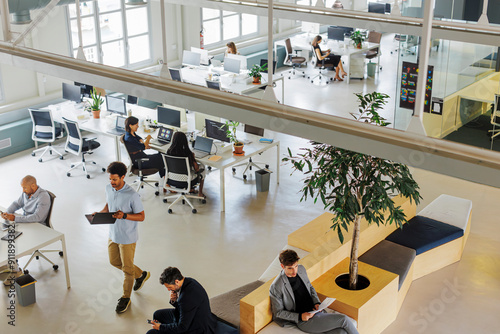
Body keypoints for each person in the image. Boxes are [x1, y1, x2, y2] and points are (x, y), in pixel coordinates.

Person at [96, 161, 150, 314]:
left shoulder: (132, 195)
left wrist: (124, 215)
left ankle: (125, 297)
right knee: (114, 261)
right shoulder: (109, 189)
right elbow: (108, 205)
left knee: (127, 270)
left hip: (127, 237)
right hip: (113, 234)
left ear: (123, 177)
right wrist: (99, 214)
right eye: (110, 179)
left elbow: (141, 217)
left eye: (115, 179)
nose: (112, 182)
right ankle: (141, 274)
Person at [269, 250, 359, 334]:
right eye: (290, 268)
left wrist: (316, 302)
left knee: (341, 332)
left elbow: (310, 287)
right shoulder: (276, 286)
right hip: (304, 321)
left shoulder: (301, 269)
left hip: (316, 312)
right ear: (282, 266)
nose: (294, 271)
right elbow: (278, 312)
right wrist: (300, 316)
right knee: (343, 319)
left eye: (295, 266)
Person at [1, 175, 50, 285]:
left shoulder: (43, 197)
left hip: (37, 227)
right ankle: (10, 268)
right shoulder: (26, 193)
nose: (23, 190)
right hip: (25, 223)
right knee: (4, 237)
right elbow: (17, 204)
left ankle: (14, 271)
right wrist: (7, 213)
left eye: (25, 188)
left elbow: (37, 218)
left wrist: (15, 218)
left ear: (33, 185)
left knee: (11, 241)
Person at [147, 267, 217, 334]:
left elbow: (182, 327)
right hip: (189, 317)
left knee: (151, 333)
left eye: (169, 287)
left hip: (195, 328)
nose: (168, 290)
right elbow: (185, 308)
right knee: (157, 315)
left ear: (176, 281)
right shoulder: (189, 281)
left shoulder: (185, 298)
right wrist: (174, 300)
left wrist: (160, 327)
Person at [166, 132, 205, 198]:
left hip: (172, 179)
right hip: (186, 180)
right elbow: (197, 169)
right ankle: (200, 193)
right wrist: (193, 159)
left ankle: (191, 189)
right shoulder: (188, 153)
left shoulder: (169, 152)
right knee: (203, 168)